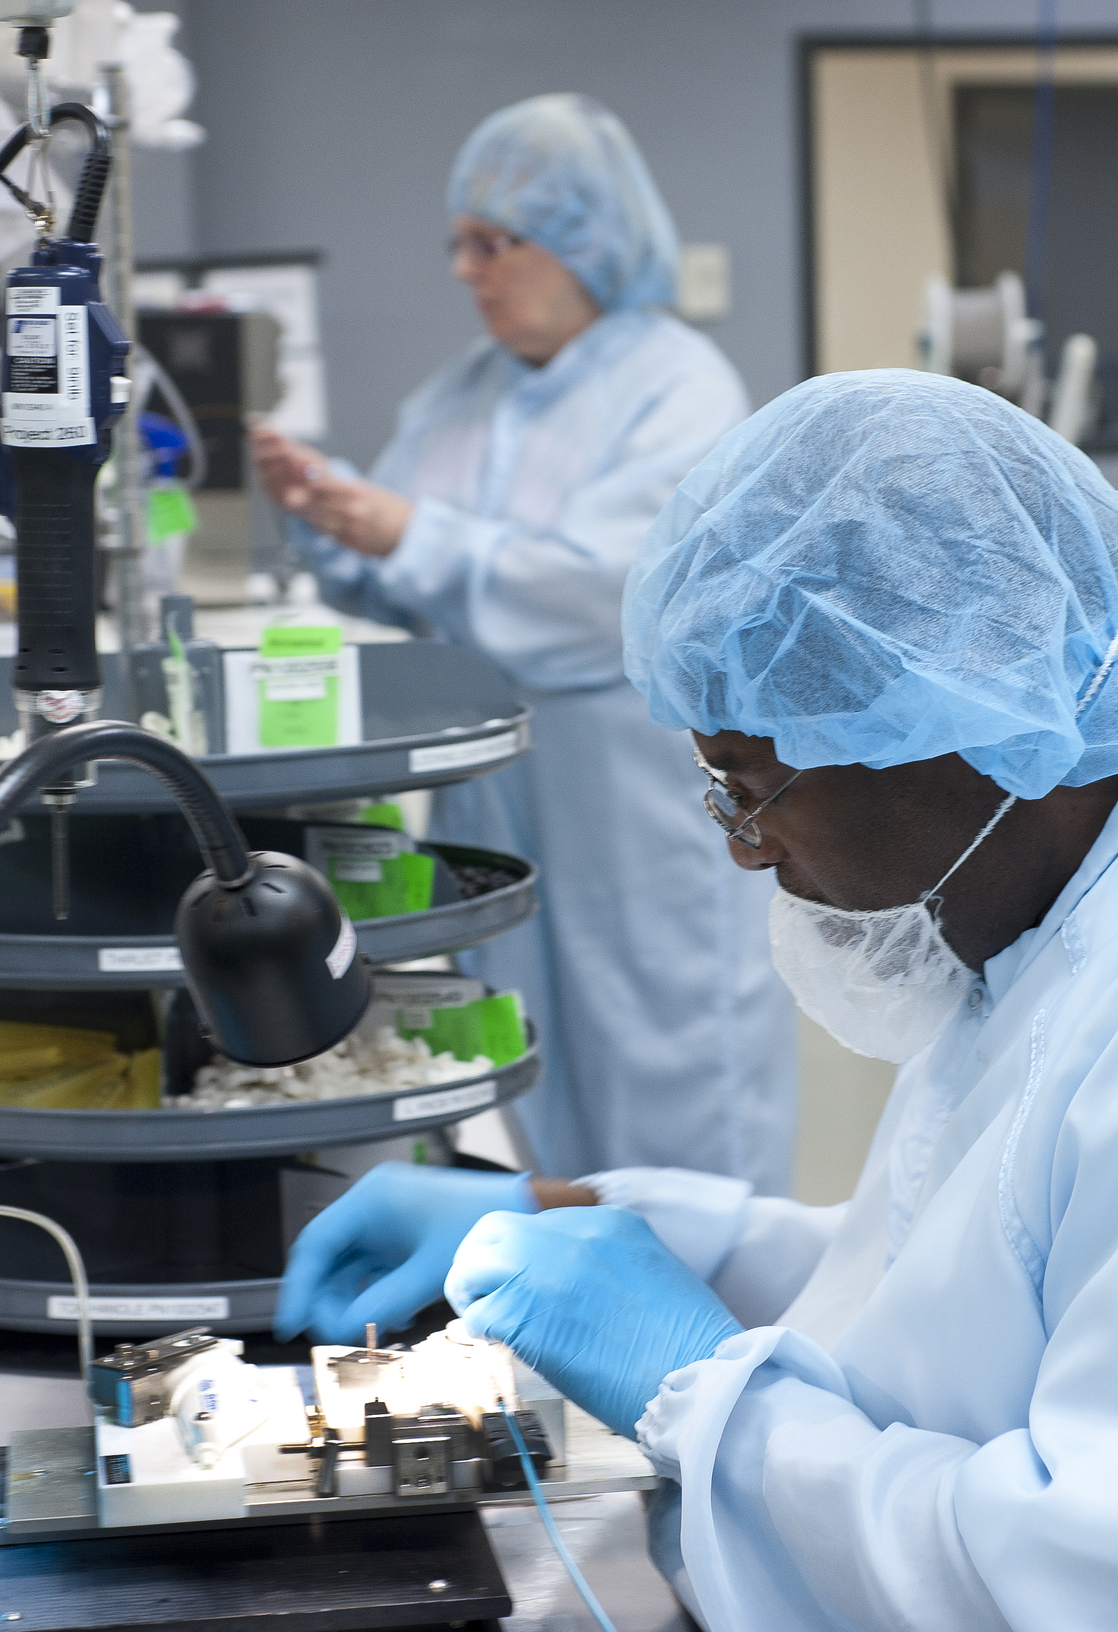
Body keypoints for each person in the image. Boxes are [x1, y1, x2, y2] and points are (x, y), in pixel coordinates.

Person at [279, 370, 1118, 1629]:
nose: (742, 846)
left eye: (751, 785)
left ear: (955, 724)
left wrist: (696, 1391)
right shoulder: (1081, 868)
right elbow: (972, 1274)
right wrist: (618, 1231)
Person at [251, 94, 797, 1190]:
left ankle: (714, 1320)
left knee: (667, 1060)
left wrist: (413, 534)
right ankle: (562, 1309)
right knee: (520, 1055)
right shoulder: (461, 396)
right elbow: (420, 585)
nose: (465, 269)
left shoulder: (677, 387)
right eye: (458, 244)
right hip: (496, 799)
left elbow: (612, 594)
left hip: (632, 802)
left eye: (492, 243)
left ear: (584, 245)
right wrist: (335, 521)